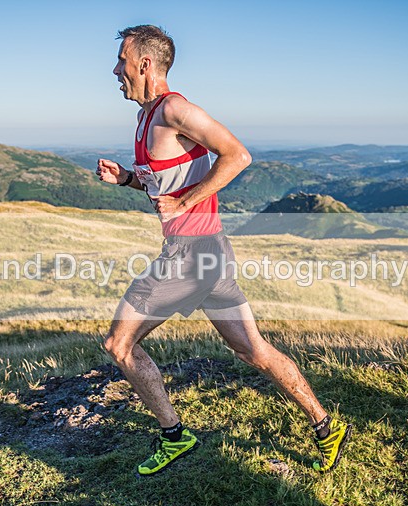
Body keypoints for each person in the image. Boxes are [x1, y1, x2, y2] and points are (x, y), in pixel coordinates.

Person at [96, 24, 351, 476]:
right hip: (209, 253)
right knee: (252, 350)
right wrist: (128, 179)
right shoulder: (145, 119)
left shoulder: (174, 109)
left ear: (145, 64)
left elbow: (237, 155)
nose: (116, 70)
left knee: (119, 344)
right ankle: (325, 426)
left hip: (190, 256)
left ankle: (174, 435)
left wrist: (184, 203)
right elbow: (165, 185)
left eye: (122, 61)